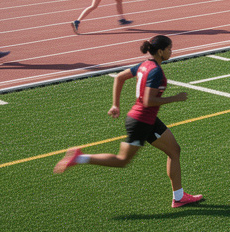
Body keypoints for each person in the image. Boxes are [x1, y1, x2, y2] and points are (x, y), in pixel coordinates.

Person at [53, 35, 204, 208]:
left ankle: (179, 197)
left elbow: (119, 78)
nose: (172, 51)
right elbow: (148, 101)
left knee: (174, 150)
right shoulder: (155, 71)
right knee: (122, 160)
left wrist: (115, 104)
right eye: (170, 48)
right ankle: (79, 158)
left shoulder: (145, 65)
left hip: (147, 119)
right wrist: (175, 98)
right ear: (161, 51)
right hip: (142, 122)